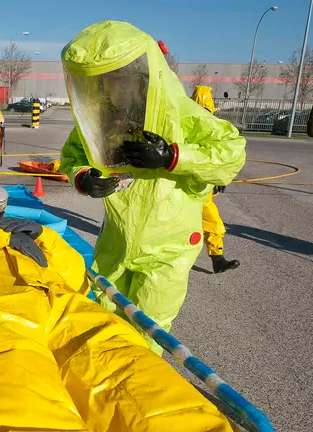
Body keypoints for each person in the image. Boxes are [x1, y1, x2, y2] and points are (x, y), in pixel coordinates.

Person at [0, 216, 234, 431]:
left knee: (126, 369)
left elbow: (78, 279)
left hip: (64, 304)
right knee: (16, 391)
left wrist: (45, 236)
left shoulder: (37, 244)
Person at [59, 21, 246, 354]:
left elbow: (231, 153)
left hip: (167, 250)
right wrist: (83, 176)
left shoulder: (179, 112)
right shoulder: (103, 118)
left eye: (120, 78)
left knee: (146, 336)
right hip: (116, 241)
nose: (113, 88)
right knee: (104, 323)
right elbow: (73, 153)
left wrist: (173, 156)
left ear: (142, 74)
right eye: (105, 80)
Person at [191, 85, 240, 273]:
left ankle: (217, 259)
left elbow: (220, 156)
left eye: (206, 110)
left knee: (214, 223)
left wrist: (221, 177)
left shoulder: (215, 130)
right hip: (181, 189)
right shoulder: (182, 125)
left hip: (203, 191)